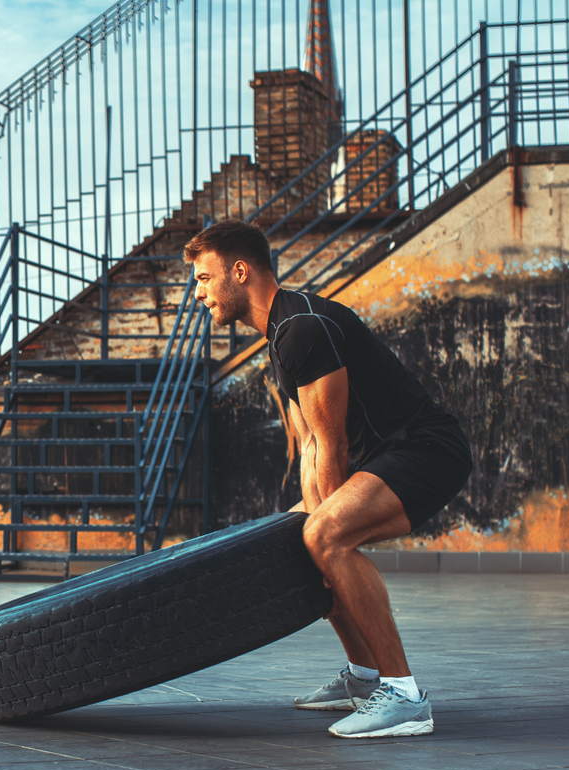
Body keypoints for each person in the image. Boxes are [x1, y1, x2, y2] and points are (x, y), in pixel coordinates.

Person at [184, 220, 472, 738]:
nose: (198, 292)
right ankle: (365, 678)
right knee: (309, 536)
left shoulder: (303, 328)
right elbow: (310, 447)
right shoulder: (279, 335)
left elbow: (332, 445)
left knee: (325, 535)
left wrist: (325, 527)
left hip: (425, 449)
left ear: (240, 271)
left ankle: (404, 696)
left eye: (204, 278)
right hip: (385, 456)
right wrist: (314, 524)